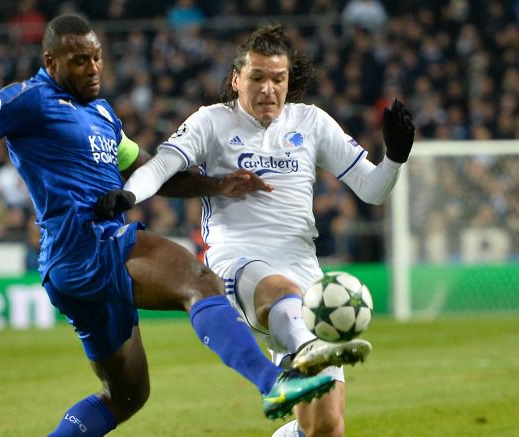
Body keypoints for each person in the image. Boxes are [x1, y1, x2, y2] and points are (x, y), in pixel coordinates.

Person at [0, 15, 337, 437]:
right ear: (51, 61)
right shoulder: (29, 100)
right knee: (199, 281)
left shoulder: (102, 115)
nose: (93, 69)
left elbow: (149, 171)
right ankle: (275, 383)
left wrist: (217, 183)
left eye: (97, 58)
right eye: (79, 60)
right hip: (86, 246)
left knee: (127, 397)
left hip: (76, 271)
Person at [98, 25, 415, 436]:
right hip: (237, 261)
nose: (269, 89)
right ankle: (307, 345)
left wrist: (395, 158)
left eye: (278, 79)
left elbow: (373, 191)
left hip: (304, 268)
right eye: (258, 78)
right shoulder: (212, 122)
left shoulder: (312, 122)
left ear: (288, 82)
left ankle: (302, 352)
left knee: (325, 429)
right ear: (236, 79)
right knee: (282, 292)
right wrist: (128, 196)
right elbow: (161, 166)